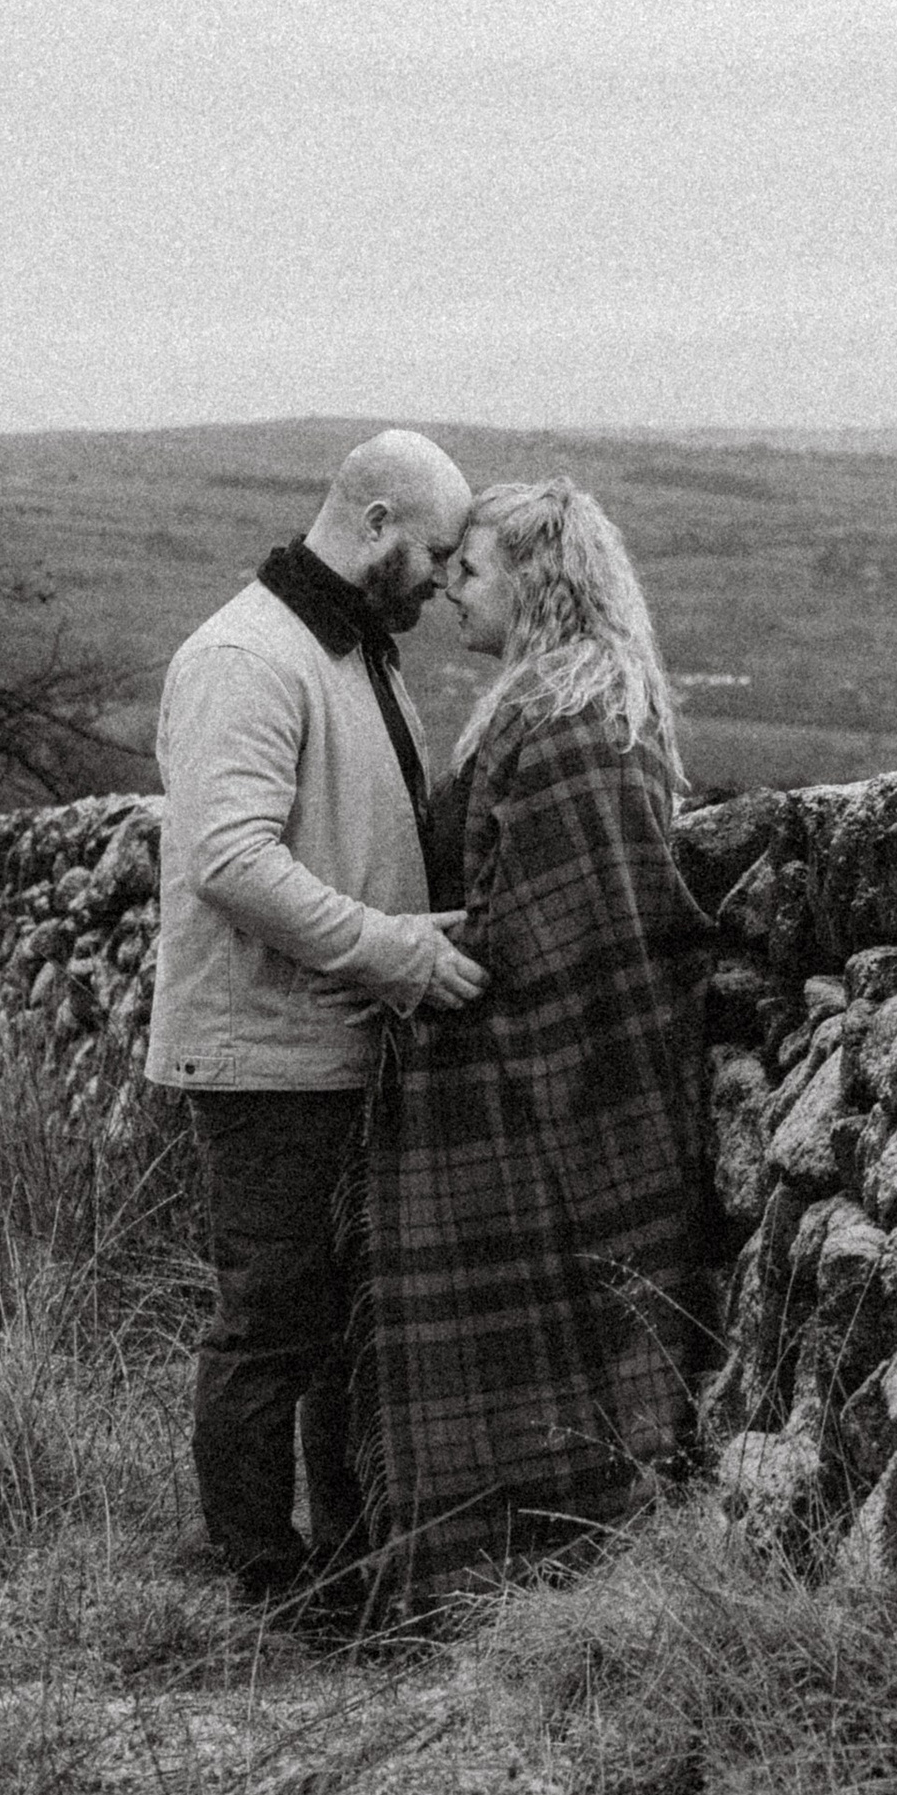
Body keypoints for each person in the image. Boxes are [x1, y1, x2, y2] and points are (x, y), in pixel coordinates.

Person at [352, 476, 714, 1612]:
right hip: (500, 1070)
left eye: (470, 569)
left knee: (534, 1345)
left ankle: (528, 1591)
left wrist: (417, 949)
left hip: (526, 1079)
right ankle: (509, 1592)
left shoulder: (567, 721)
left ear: (539, 581)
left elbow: (576, 928)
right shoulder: (558, 701)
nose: (448, 590)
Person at [146, 428, 487, 1606]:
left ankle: (344, 1571)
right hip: (265, 1057)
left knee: (345, 1328)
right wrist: (395, 952)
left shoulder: (352, 651)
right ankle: (258, 1578)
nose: (443, 580)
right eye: (434, 552)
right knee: (272, 1322)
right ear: (377, 522)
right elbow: (230, 861)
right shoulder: (245, 656)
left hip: (336, 1045)